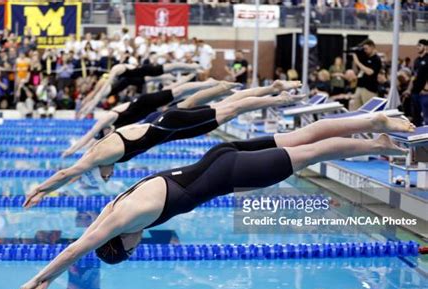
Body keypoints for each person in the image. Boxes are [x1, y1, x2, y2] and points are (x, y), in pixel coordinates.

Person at [15, 113, 414, 289]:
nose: (140, 245)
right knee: (303, 136)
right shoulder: (114, 206)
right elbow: (84, 237)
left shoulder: (122, 220)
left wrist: (43, 279)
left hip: (231, 172)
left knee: (312, 151)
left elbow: (75, 249)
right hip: (218, 156)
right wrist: (46, 188)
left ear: (121, 243)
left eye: (132, 248)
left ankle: (377, 143)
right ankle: (375, 120)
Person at [25, 81, 304, 203]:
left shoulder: (99, 154)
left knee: (231, 109)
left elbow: (68, 172)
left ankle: (282, 98)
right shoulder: (107, 151)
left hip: (169, 124)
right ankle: (271, 89)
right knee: (228, 106)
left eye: (105, 175)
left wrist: (40, 189)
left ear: (100, 167)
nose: (108, 177)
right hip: (171, 127)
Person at [64, 78, 225, 156]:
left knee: (177, 92)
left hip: (143, 102)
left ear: (105, 129)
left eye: (104, 134)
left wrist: (72, 149)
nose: (107, 136)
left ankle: (207, 83)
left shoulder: (108, 119)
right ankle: (211, 90)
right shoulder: (116, 131)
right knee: (181, 99)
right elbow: (94, 144)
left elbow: (89, 135)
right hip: (149, 111)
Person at [78, 63, 202, 118]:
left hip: (146, 71)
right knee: (168, 76)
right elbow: (95, 95)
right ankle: (192, 72)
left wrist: (86, 108)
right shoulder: (112, 84)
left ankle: (195, 67)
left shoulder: (115, 71)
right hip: (140, 78)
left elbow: (97, 94)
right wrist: (85, 108)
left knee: (173, 68)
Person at [351, 39, 382, 110]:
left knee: (368, 110)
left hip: (369, 88)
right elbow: (357, 71)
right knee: (356, 108)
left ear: (372, 47)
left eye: (366, 48)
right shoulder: (364, 58)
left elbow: (370, 72)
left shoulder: (376, 59)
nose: (365, 50)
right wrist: (355, 60)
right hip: (360, 86)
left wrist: (358, 62)